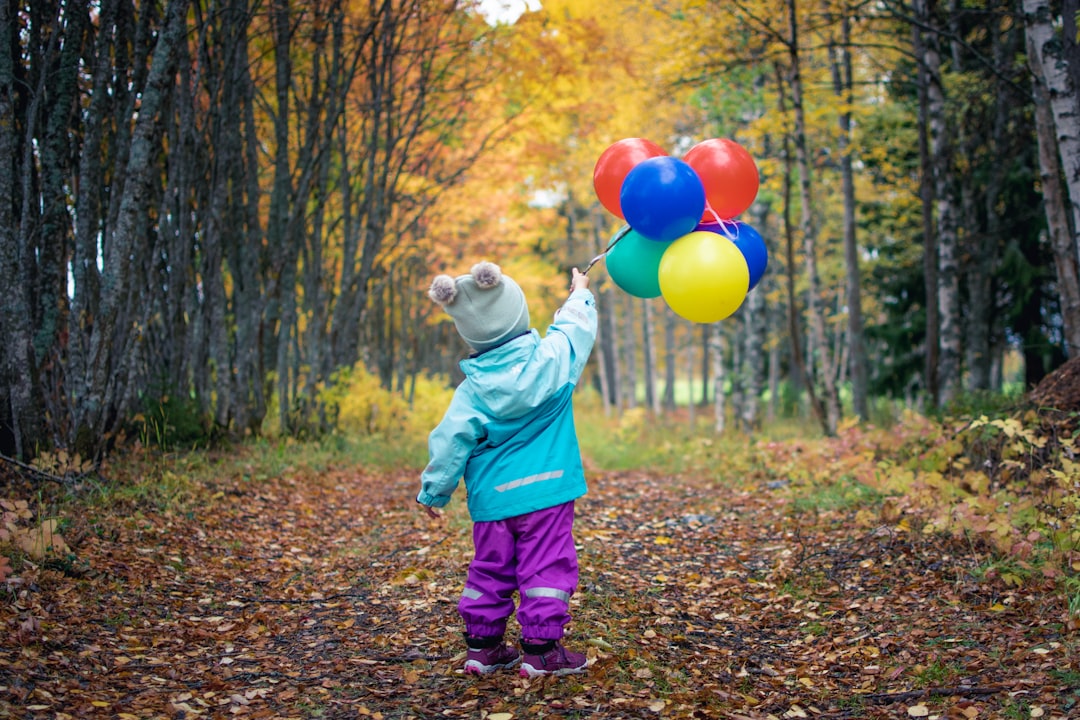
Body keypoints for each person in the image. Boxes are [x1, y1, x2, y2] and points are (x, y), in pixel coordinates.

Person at [417, 261, 598, 678]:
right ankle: (541, 650)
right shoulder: (552, 361)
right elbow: (576, 330)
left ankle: (482, 648)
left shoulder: (473, 391)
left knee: (490, 568)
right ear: (518, 313)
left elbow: (450, 441)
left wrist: (434, 491)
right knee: (546, 567)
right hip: (546, 495)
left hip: (493, 501)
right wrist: (579, 293)